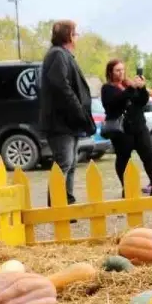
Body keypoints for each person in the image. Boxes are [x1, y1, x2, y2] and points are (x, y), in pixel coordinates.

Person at [38, 19, 93, 204]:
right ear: (68, 35)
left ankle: (66, 201)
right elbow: (61, 86)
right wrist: (78, 109)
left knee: (70, 164)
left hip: (69, 122)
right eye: (75, 33)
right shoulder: (57, 55)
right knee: (64, 163)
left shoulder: (63, 55)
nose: (76, 37)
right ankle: (57, 204)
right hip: (60, 122)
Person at [100, 58, 152, 194]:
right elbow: (113, 103)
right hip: (122, 130)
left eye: (122, 69)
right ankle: (126, 187)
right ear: (110, 72)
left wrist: (142, 87)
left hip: (139, 126)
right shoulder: (107, 88)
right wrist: (131, 89)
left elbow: (142, 101)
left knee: (149, 156)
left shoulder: (128, 84)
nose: (121, 73)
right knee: (123, 159)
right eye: (117, 70)